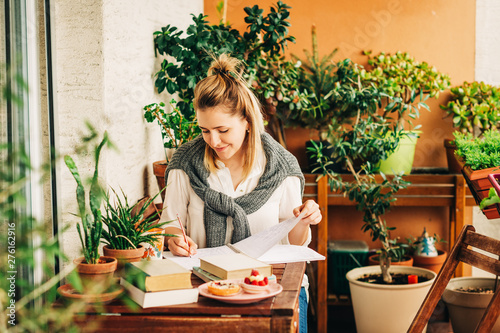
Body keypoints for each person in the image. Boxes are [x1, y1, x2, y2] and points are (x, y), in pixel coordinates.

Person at [158, 54, 321, 332]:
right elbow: (171, 225)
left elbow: (295, 245)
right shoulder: (184, 164)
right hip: (204, 289)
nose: (214, 141)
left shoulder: (282, 168)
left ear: (247, 120)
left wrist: (303, 220)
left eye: (223, 130)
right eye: (205, 131)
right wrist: (174, 240)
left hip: (273, 289)